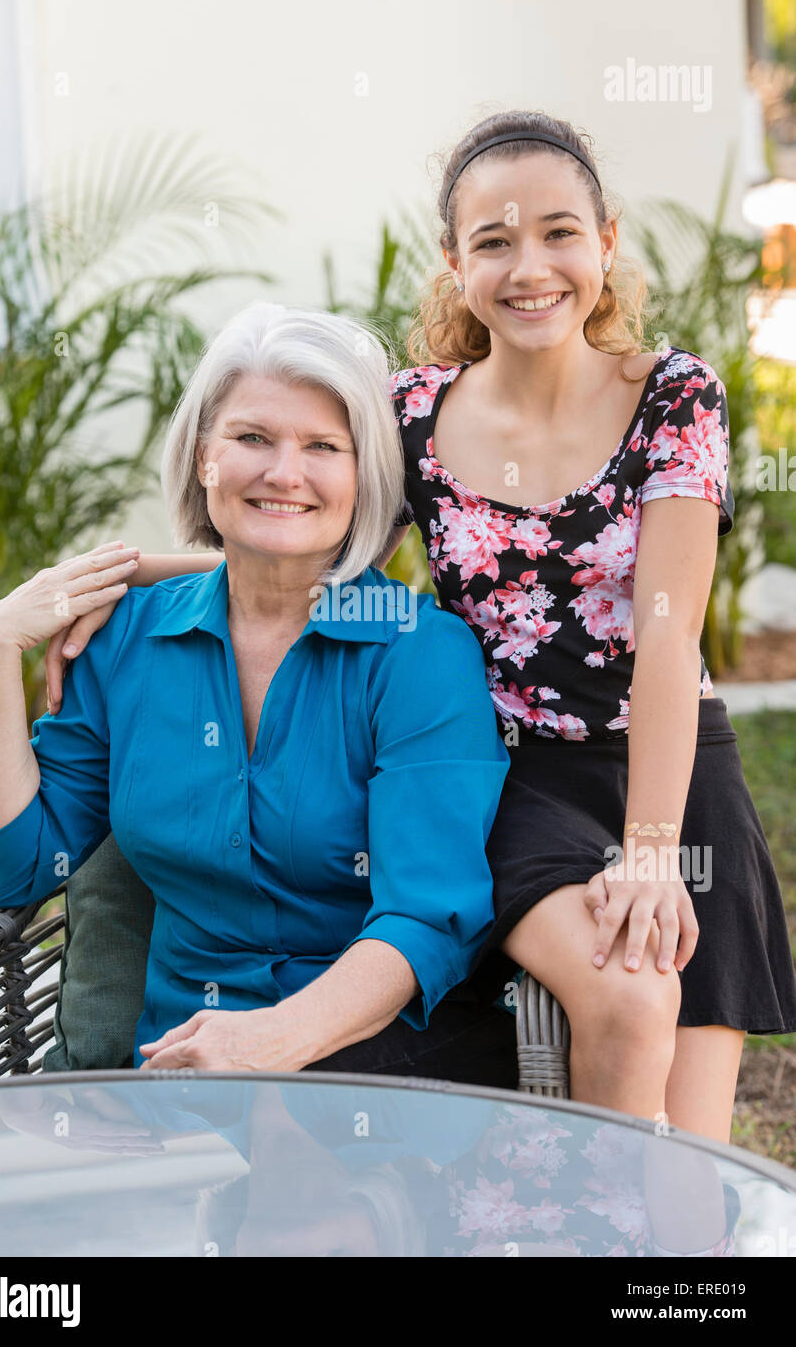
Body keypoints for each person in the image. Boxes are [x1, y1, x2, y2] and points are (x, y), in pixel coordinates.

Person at [52, 113, 796, 1156]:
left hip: (675, 767)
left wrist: (652, 853)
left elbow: (667, 640)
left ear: (607, 241)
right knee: (628, 1006)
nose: (528, 266)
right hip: (519, 779)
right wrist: (99, 585)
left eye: (558, 233)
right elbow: (298, 542)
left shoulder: (673, 394)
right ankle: (595, 1228)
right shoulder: (412, 415)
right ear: (455, 263)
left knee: (699, 1153)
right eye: (493, 241)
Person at [0, 302, 513, 1082]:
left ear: (366, 476)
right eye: (252, 438)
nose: (283, 473)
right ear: (202, 458)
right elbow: (20, 871)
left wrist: (267, 1042)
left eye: (323, 446)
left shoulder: (418, 654)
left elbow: (426, 919)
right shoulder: (125, 639)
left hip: (377, 1064)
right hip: (172, 1068)